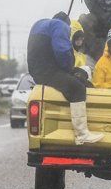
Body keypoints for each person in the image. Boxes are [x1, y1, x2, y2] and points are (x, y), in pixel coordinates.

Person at [27, 11, 104, 145]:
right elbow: (62, 51)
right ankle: (82, 135)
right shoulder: (61, 26)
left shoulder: (38, 24)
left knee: (79, 74)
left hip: (37, 72)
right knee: (77, 88)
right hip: (48, 71)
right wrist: (69, 68)